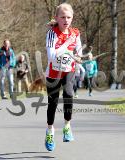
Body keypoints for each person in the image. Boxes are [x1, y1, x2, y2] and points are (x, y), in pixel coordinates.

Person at [45, 3, 82, 151]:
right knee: (52, 103)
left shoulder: (76, 33)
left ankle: (67, 126)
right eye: (63, 17)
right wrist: (66, 44)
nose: (66, 20)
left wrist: (78, 58)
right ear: (57, 18)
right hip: (53, 72)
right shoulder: (52, 34)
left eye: (68, 17)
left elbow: (79, 51)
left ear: (72, 18)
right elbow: (51, 56)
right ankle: (50, 131)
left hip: (68, 70)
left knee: (69, 95)